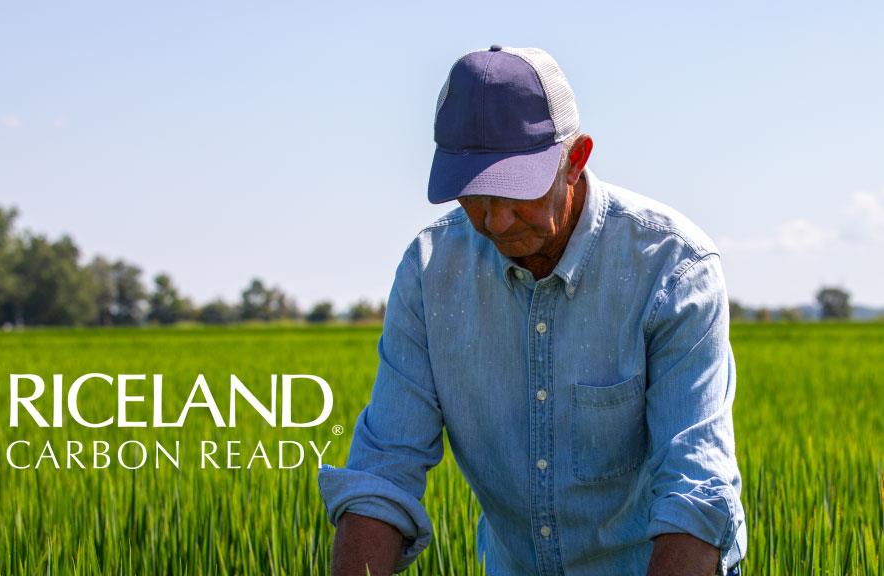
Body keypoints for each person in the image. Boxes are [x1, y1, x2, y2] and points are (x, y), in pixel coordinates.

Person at [318, 45, 746, 576]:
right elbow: (385, 467)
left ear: (576, 159)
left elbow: (695, 487)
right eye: (472, 194)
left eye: (513, 190)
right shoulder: (432, 272)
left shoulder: (671, 267)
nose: (494, 221)